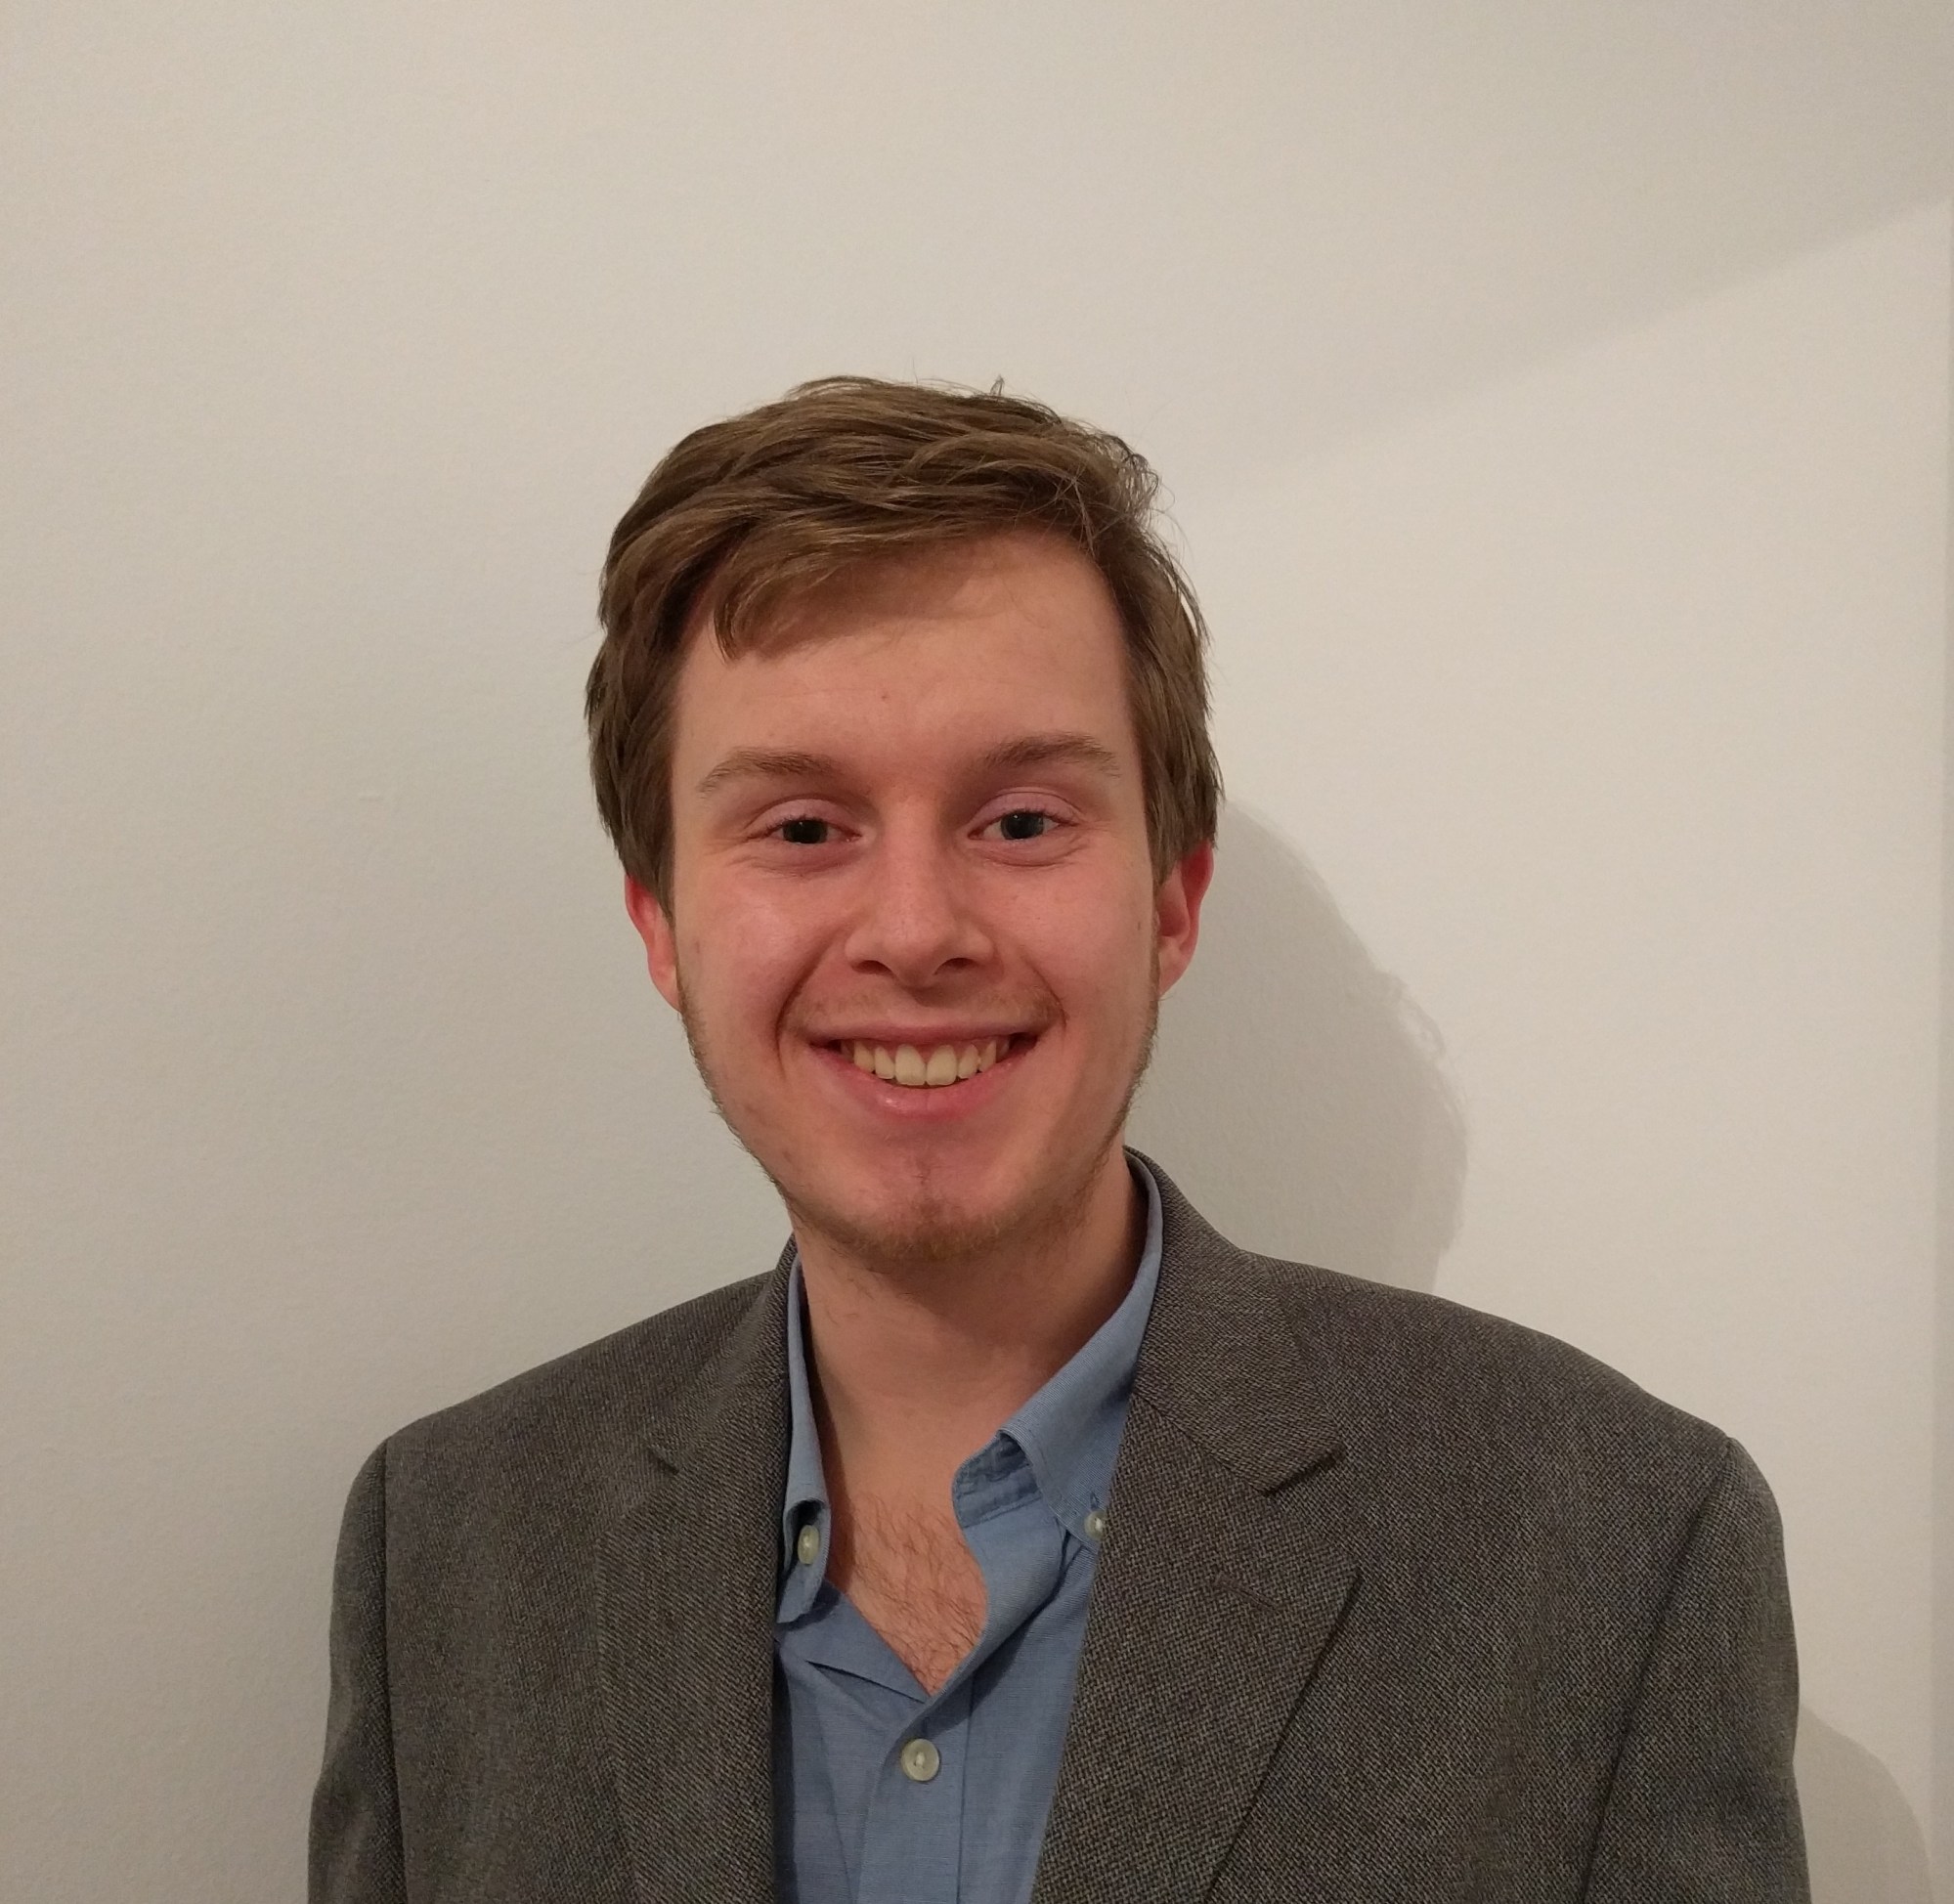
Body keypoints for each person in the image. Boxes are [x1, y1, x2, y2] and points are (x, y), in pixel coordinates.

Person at [309, 378, 1809, 1903]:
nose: (915, 932)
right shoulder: (445, 1556)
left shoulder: (1615, 1546)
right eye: (803, 828)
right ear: (662, 925)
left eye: (1022, 821)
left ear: (1171, 904)